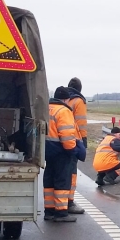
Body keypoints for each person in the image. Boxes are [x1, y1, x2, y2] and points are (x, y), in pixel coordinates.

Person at [44, 86, 86, 222]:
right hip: (61, 151)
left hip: (47, 150)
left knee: (49, 180)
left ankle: (49, 211)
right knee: (62, 181)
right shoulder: (64, 111)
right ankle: (61, 213)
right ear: (66, 99)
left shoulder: (46, 108)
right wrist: (72, 150)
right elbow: (67, 134)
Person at [65, 77, 88, 214]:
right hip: (73, 140)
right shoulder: (79, 101)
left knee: (61, 172)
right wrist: (83, 141)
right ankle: (69, 202)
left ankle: (57, 204)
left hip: (60, 139)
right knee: (72, 172)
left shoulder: (64, 99)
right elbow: (81, 123)